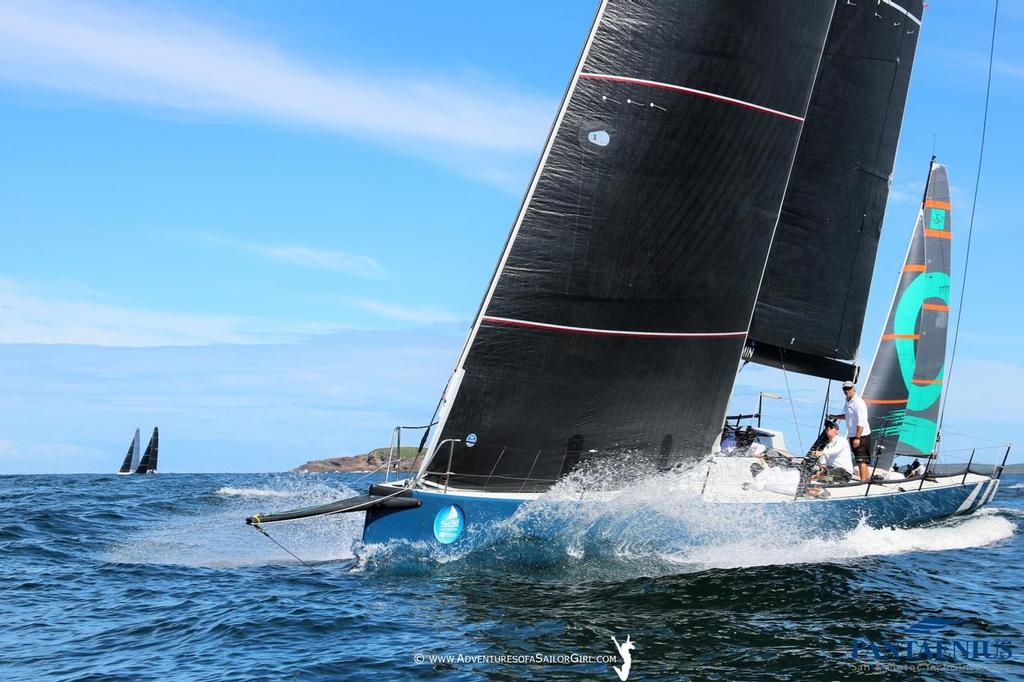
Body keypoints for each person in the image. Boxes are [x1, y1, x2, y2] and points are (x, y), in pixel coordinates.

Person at [829, 380, 872, 481]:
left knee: (861, 460)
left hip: (861, 435)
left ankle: (863, 482)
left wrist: (857, 438)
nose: (846, 390)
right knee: (860, 459)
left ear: (854, 389)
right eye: (844, 389)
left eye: (848, 388)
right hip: (853, 435)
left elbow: (861, 421)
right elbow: (848, 417)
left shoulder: (858, 403)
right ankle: (866, 479)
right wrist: (835, 416)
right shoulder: (848, 402)